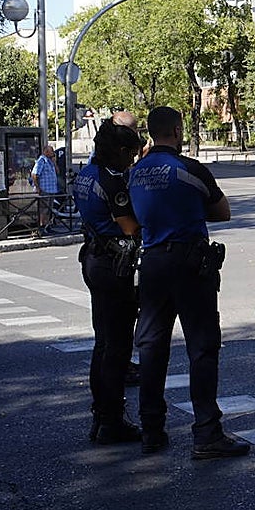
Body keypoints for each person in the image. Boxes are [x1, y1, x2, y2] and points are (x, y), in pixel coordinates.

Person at [127, 106, 248, 460]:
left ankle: (151, 429)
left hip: (151, 262)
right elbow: (222, 211)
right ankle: (207, 433)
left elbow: (133, 217)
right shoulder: (189, 169)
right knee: (202, 347)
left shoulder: (136, 173)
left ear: (151, 133)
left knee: (151, 348)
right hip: (190, 264)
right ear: (178, 131)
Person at [74, 122, 144, 446]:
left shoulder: (86, 174)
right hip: (112, 264)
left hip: (92, 257)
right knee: (117, 348)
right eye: (130, 153)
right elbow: (130, 227)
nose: (132, 160)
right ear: (119, 151)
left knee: (102, 343)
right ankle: (112, 420)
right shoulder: (111, 180)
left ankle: (100, 416)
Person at [30, 144, 59, 234]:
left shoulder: (50, 161)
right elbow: (34, 174)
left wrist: (54, 163)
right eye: (52, 151)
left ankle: (48, 226)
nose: (53, 153)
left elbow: (58, 172)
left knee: (49, 209)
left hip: (52, 189)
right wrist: (38, 187)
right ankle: (42, 228)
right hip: (45, 189)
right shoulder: (41, 161)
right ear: (46, 152)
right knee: (44, 210)